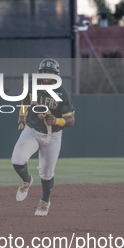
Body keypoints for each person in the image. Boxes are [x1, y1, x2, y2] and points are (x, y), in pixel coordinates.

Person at [11, 59, 75, 217]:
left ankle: (45, 201)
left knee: (47, 174)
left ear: (56, 76)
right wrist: (21, 115)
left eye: (51, 73)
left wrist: (57, 120)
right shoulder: (33, 85)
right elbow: (26, 98)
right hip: (32, 130)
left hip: (52, 136)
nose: (47, 76)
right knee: (17, 160)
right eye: (44, 72)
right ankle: (26, 180)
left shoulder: (62, 94)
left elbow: (71, 120)